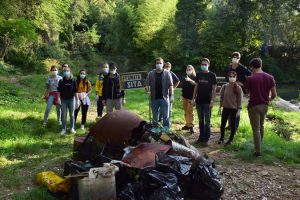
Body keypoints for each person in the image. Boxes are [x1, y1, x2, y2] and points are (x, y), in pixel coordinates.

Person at [244, 58, 277, 156]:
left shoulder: (250, 78)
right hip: (264, 106)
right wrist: (268, 99)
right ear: (261, 65)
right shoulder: (270, 77)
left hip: (254, 105)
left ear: (252, 67)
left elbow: (247, 92)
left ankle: (257, 151)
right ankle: (260, 145)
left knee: (256, 129)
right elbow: (274, 94)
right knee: (261, 126)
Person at [192, 58, 217, 146]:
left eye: (205, 64)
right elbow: (196, 87)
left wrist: (212, 101)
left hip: (208, 101)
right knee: (200, 120)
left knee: (207, 121)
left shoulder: (212, 75)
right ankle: (201, 137)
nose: (203, 66)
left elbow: (214, 90)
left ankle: (206, 139)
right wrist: (193, 99)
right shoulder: (198, 74)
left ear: (208, 65)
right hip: (199, 101)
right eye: (202, 64)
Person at [225, 52, 252, 131]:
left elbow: (250, 75)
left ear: (239, 59)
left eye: (237, 57)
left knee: (236, 108)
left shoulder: (242, 68)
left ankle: (235, 127)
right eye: (234, 57)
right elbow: (226, 77)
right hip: (229, 89)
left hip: (239, 90)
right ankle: (230, 125)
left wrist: (243, 84)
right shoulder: (228, 67)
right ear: (231, 58)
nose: (235, 58)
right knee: (229, 106)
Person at [145, 57, 173, 130]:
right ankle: (155, 129)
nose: (159, 64)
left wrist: (171, 95)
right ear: (155, 64)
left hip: (164, 97)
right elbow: (147, 85)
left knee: (165, 115)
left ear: (163, 64)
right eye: (157, 63)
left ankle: (166, 129)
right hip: (154, 98)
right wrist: (147, 91)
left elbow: (170, 85)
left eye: (160, 63)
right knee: (155, 115)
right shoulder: (150, 74)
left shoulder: (167, 73)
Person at [218, 71, 243, 145]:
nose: (232, 78)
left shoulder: (238, 88)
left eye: (233, 77)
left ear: (236, 78)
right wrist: (220, 108)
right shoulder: (224, 86)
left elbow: (240, 100)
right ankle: (221, 138)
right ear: (228, 77)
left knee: (233, 125)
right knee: (223, 124)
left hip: (234, 109)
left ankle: (230, 140)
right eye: (230, 76)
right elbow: (221, 98)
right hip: (225, 108)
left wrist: (239, 110)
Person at [58, 65, 77, 134]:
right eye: (65, 71)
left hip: (71, 100)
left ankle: (72, 128)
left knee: (72, 115)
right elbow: (59, 91)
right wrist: (59, 99)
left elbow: (75, 91)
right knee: (64, 115)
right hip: (63, 100)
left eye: (67, 71)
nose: (66, 72)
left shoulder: (73, 80)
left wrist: (77, 100)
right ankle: (63, 129)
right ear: (63, 72)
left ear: (70, 72)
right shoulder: (61, 81)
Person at [181, 65, 196, 134]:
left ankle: (191, 126)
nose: (188, 70)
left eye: (190, 69)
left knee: (190, 112)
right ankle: (187, 124)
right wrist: (181, 96)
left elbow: (196, 85)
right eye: (187, 69)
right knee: (186, 111)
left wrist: (190, 80)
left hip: (191, 97)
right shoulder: (184, 77)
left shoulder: (195, 77)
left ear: (192, 70)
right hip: (185, 97)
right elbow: (183, 87)